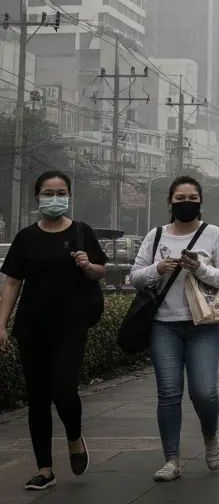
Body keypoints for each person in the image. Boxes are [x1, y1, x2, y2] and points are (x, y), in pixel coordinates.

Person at [0, 170, 107, 491]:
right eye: (48, 193)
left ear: (69, 196)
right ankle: (44, 469)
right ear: (37, 198)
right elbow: (12, 282)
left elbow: (100, 271)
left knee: (64, 390)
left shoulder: (81, 232)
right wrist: (1, 324)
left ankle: (74, 436)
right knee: (37, 399)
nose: (55, 198)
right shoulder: (26, 238)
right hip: (32, 328)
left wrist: (88, 265)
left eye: (61, 192)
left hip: (71, 327)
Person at [129, 176, 219, 482]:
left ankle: (210, 434)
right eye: (180, 198)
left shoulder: (214, 234)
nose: (185, 203)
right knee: (168, 394)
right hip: (164, 326)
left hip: (203, 324)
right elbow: (134, 276)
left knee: (204, 392)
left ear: (200, 201)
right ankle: (172, 459)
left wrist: (199, 268)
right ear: (170, 202)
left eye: (192, 198)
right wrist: (157, 269)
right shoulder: (156, 235)